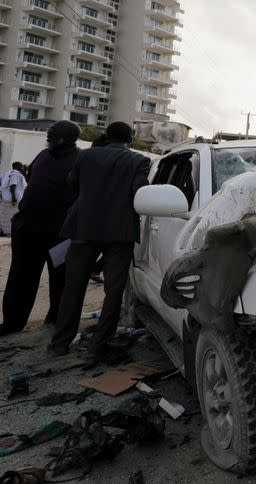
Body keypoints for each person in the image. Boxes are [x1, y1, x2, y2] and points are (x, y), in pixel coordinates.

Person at [49, 122, 150, 359]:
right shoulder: (139, 161)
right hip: (119, 232)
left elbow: (72, 183)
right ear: (130, 138)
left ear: (107, 135)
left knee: (73, 288)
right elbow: (140, 192)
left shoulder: (86, 156)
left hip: (84, 227)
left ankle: (59, 344)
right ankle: (98, 346)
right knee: (113, 292)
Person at [0, 122, 81, 335]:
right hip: (27, 230)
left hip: (60, 235)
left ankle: (55, 322)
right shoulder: (43, 155)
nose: (48, 136)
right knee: (20, 278)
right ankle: (12, 323)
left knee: (60, 280)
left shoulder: (80, 160)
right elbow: (31, 179)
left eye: (52, 134)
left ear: (63, 138)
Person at [0, 162, 27, 235]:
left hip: (6, 199)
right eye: (21, 167)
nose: (22, 168)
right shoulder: (16, 174)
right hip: (13, 200)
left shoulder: (6, 174)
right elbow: (13, 185)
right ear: (19, 167)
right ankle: (8, 232)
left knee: (4, 217)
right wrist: (13, 197)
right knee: (12, 217)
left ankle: (4, 232)